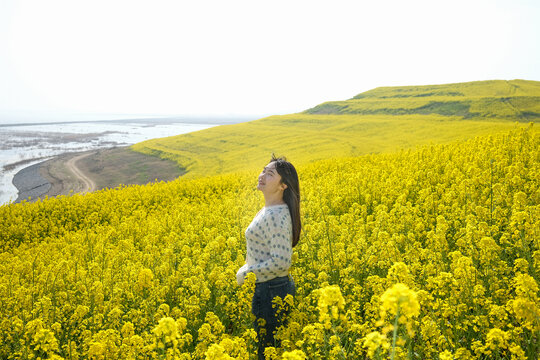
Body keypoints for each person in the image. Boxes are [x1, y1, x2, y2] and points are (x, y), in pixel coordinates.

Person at [236, 154, 301, 359]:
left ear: (283, 186)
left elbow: (282, 262)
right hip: (270, 288)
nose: (262, 175)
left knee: (268, 351)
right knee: (271, 349)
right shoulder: (270, 209)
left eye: (270, 174)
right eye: (263, 170)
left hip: (271, 291)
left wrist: (246, 272)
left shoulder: (276, 215)